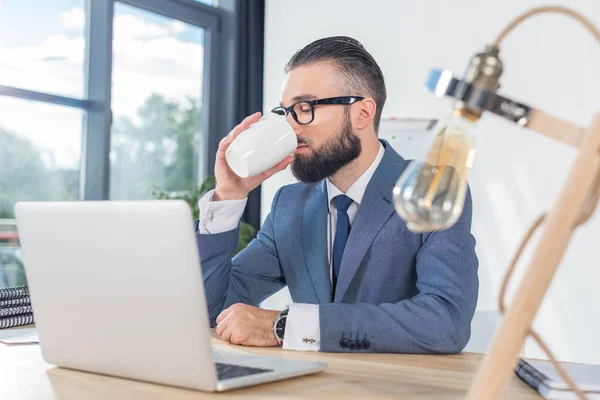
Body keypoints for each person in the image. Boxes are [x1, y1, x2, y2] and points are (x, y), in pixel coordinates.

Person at [195, 36, 478, 353]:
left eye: (305, 108)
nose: (291, 127)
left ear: (362, 113)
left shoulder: (431, 190)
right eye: (285, 111)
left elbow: (446, 321)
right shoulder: (290, 205)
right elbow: (208, 310)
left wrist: (284, 326)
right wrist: (227, 197)